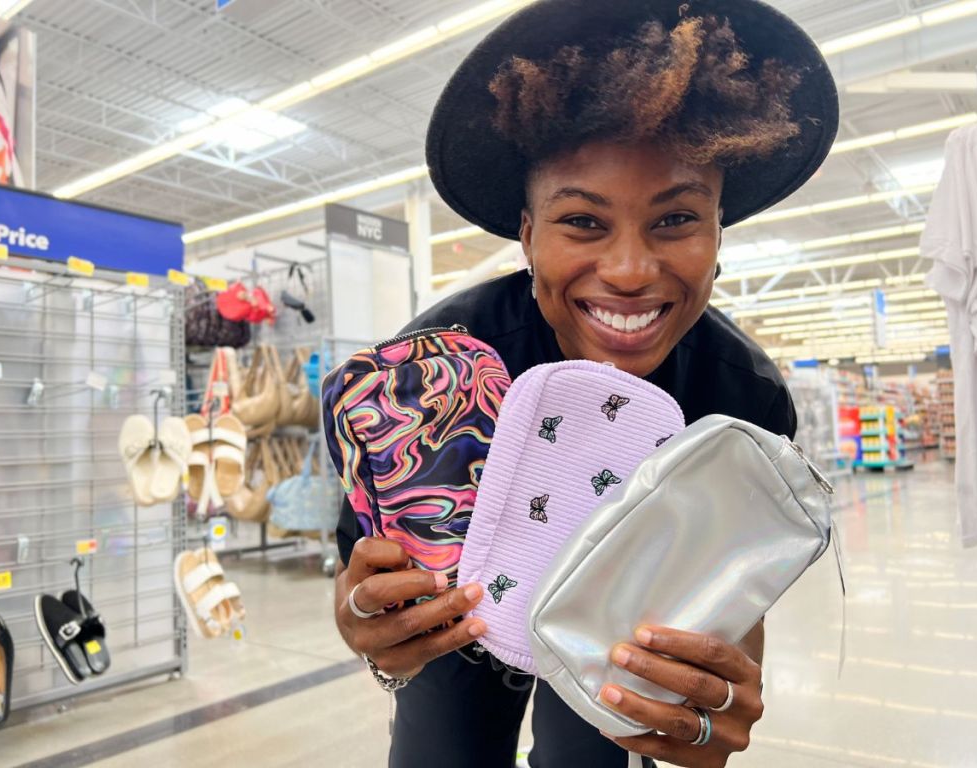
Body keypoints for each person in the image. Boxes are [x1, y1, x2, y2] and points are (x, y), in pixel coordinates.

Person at [333, 1, 838, 765]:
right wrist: (369, 629)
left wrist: (712, 698)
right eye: (583, 223)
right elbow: (364, 570)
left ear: (717, 230)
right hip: (461, 622)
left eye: (675, 220)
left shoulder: (743, 404)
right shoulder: (434, 375)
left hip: (620, 619)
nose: (632, 271)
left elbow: (726, 588)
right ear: (528, 236)